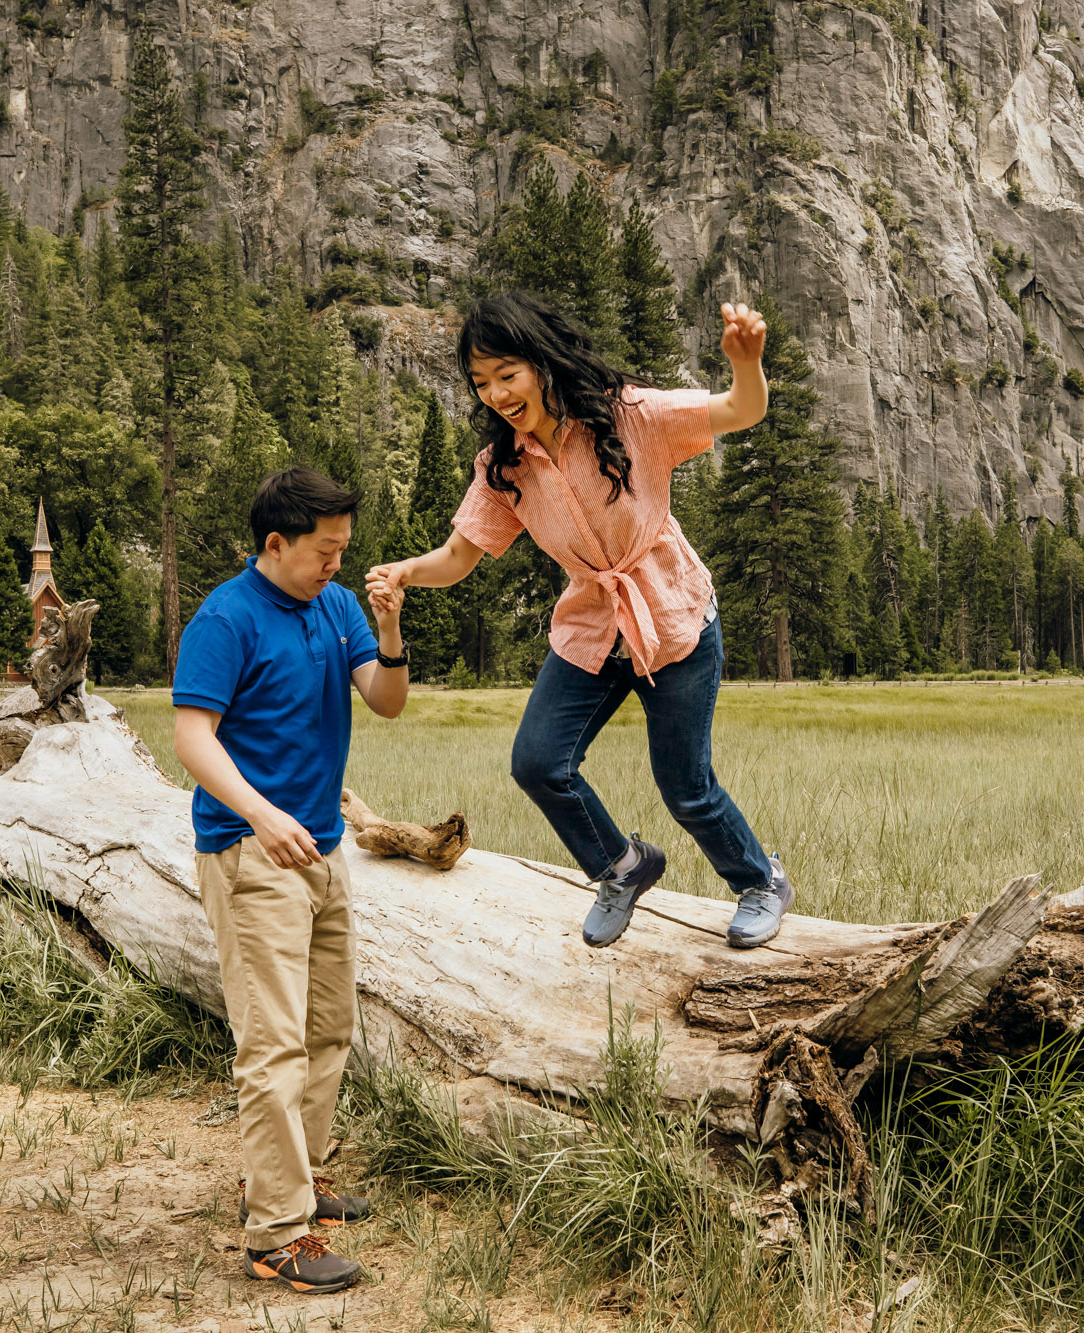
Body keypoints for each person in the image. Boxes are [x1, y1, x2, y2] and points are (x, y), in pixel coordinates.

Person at [366, 292, 792, 950]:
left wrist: (747, 362)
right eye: (481, 383)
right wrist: (403, 572)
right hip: (594, 627)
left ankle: (760, 881)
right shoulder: (505, 466)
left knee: (686, 786)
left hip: (673, 618)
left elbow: (743, 409)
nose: (497, 394)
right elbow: (458, 555)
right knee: (538, 762)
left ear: (541, 363)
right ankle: (623, 866)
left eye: (508, 374)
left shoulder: (629, 414)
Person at [172, 466, 409, 1295]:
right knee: (272, 1041)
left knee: (329, 1025)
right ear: (276, 543)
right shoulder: (225, 617)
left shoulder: (338, 607)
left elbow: (385, 701)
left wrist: (389, 631)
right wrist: (261, 815)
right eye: (325, 550)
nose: (337, 563)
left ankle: (293, 1181)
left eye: (345, 548)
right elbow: (193, 738)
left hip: (321, 851)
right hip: (251, 850)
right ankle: (277, 1231)